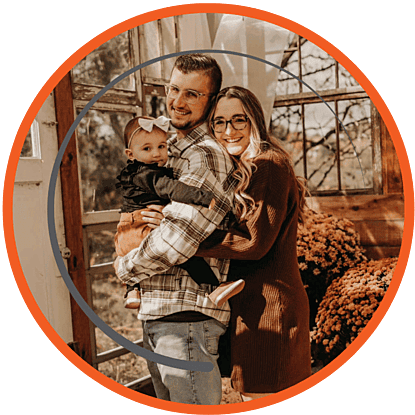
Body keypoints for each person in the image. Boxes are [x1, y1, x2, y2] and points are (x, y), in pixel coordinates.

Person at [142, 86, 312, 401]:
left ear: (255, 122)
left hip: (269, 308)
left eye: (238, 120)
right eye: (219, 122)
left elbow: (253, 242)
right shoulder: (243, 169)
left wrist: (183, 238)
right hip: (250, 306)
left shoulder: (268, 164)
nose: (228, 131)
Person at [113, 54, 238, 405]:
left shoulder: (205, 156)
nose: (178, 102)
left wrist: (123, 268)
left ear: (211, 102)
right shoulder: (163, 148)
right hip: (158, 310)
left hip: (185, 317)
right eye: (173, 89)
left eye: (193, 95)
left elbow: (175, 243)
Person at [114, 114, 245, 309]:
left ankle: (132, 290)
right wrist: (203, 196)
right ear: (130, 154)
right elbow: (171, 188)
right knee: (186, 256)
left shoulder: (148, 169)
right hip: (136, 227)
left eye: (161, 146)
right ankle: (214, 289)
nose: (157, 153)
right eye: (147, 148)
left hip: (130, 230)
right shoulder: (144, 174)